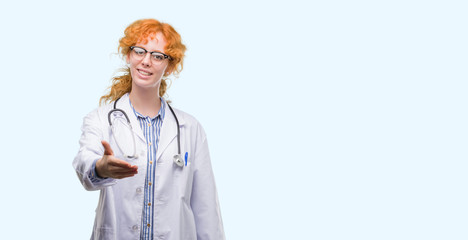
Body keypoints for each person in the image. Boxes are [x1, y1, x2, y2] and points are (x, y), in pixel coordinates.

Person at [73, 19, 225, 240]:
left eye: (157, 56)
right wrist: (100, 167)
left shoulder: (191, 129)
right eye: (139, 51)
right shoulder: (100, 119)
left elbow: (206, 208)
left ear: (170, 66)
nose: (146, 61)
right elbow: (83, 163)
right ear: (128, 55)